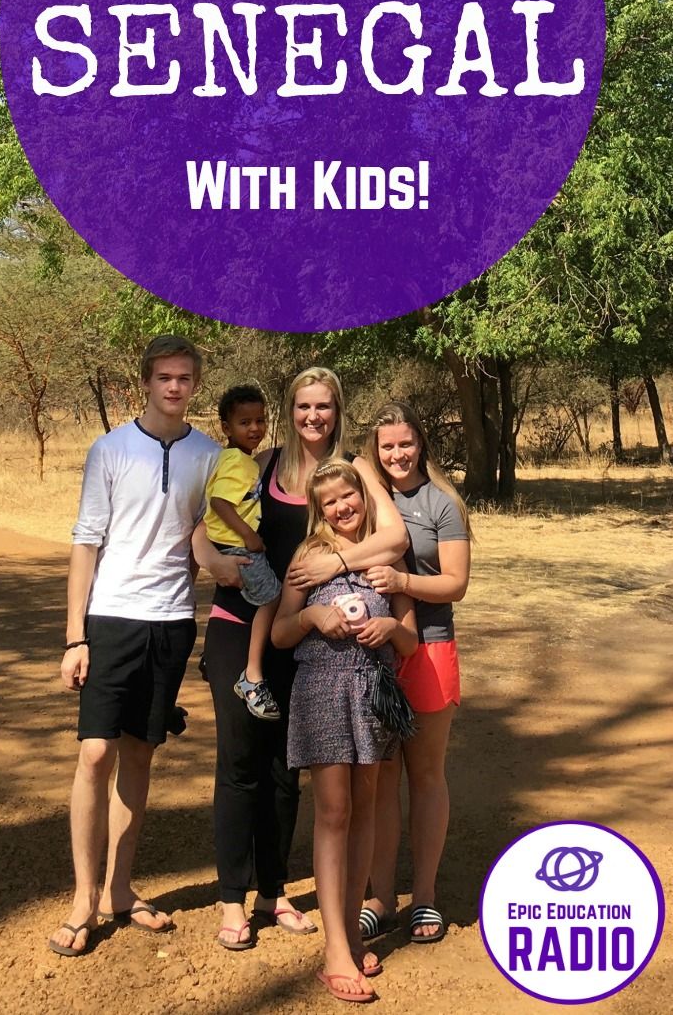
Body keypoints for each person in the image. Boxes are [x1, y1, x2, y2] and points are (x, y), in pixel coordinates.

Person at [193, 367, 407, 952]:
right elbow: (201, 523)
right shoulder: (261, 462)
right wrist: (212, 561)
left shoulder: (355, 470)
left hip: (314, 646)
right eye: (304, 406)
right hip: (246, 624)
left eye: (325, 406)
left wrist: (334, 566)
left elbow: (395, 540)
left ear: (338, 410)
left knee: (286, 772)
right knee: (240, 759)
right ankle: (231, 898)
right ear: (290, 409)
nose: (314, 416)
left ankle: (273, 890)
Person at [48, 335, 220, 958]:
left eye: (184, 378)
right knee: (95, 754)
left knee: (140, 756)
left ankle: (121, 889)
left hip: (171, 622)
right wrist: (75, 636)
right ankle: (82, 899)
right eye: (164, 377)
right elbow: (86, 542)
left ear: (195, 384)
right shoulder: (111, 449)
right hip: (111, 619)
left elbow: (202, 540)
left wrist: (231, 570)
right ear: (146, 382)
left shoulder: (209, 454)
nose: (174, 387)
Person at [272, 459, 418, 1002]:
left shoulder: (386, 555)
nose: (341, 507)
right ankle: (336, 951)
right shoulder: (308, 556)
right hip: (323, 692)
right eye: (329, 501)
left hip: (374, 694)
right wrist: (312, 618)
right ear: (319, 509)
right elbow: (282, 633)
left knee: (365, 809)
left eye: (347, 496)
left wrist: (388, 628)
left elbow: (410, 640)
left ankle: (352, 937)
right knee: (334, 813)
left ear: (362, 495)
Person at [358, 401, 471, 946]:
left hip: (429, 648)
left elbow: (454, 584)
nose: (397, 454)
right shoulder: (367, 498)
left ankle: (423, 897)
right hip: (371, 652)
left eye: (405, 443)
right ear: (375, 450)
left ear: (421, 442)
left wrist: (402, 582)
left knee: (425, 776)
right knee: (380, 779)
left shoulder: (442, 503)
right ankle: (380, 898)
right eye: (387, 447)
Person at [204, 385, 281, 721]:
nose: (254, 428)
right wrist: (249, 535)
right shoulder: (237, 461)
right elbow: (220, 503)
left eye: (260, 420)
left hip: (231, 542)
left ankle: (216, 658)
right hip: (236, 545)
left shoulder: (240, 459)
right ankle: (251, 676)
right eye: (244, 422)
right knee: (272, 598)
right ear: (226, 427)